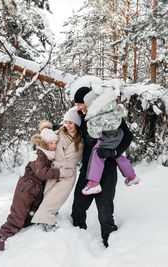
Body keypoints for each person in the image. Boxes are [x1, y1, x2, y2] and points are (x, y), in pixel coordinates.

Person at [0, 121, 74, 251]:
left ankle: (22, 237)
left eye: (55, 143)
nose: (53, 146)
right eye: (50, 144)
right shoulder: (40, 154)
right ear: (44, 144)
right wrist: (60, 173)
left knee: (31, 216)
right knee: (17, 217)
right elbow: (41, 172)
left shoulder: (48, 154)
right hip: (27, 187)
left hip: (37, 188)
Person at [71, 86, 133, 248]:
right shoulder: (80, 115)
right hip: (88, 168)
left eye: (80, 104)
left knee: (105, 208)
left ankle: (110, 240)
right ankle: (76, 238)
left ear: (88, 101)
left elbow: (127, 136)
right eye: (76, 104)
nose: (78, 107)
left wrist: (114, 152)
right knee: (78, 205)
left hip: (108, 168)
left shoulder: (110, 115)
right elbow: (68, 127)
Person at [31, 107, 83, 231]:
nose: (67, 125)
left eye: (70, 123)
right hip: (55, 168)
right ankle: (46, 216)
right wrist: (37, 146)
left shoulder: (80, 140)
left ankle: (46, 218)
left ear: (76, 123)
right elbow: (45, 140)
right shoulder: (58, 133)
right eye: (66, 122)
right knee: (48, 194)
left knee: (58, 196)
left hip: (68, 172)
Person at [81, 89, 140, 195]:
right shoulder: (114, 109)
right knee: (118, 156)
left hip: (108, 137)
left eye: (88, 105)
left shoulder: (97, 117)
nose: (86, 108)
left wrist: (89, 126)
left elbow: (95, 134)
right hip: (118, 135)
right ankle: (131, 176)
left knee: (97, 154)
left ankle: (94, 183)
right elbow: (121, 115)